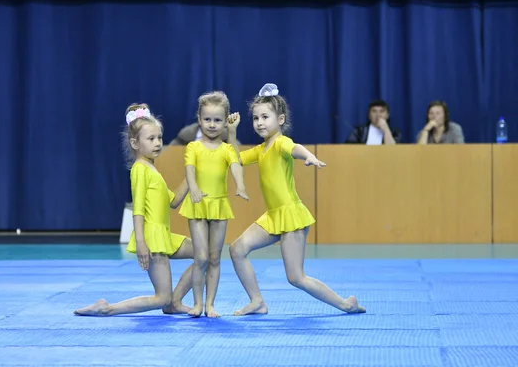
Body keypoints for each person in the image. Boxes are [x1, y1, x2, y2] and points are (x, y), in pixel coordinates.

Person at [227, 83, 366, 316]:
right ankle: (257, 301)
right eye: (255, 118)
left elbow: (296, 147)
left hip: (290, 215)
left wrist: (309, 156)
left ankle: (345, 304)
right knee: (237, 249)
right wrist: (231, 133)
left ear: (280, 119)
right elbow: (235, 159)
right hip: (273, 216)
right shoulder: (261, 149)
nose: (259, 122)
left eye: (265, 117)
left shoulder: (280, 143)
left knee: (296, 278)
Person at [74, 104, 195, 316]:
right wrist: (141, 242)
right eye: (151, 139)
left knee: (206, 254)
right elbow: (138, 209)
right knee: (161, 297)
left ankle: (174, 302)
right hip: (152, 237)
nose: (158, 143)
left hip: (163, 235)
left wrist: (192, 173)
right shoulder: (139, 169)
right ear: (135, 143)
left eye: (159, 138)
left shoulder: (151, 169)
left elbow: (174, 201)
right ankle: (108, 308)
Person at [179, 91, 248, 318]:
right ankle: (197, 303)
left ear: (226, 120)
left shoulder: (227, 148)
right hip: (198, 205)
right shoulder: (194, 147)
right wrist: (195, 189)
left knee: (215, 258)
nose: (211, 124)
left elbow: (236, 164)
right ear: (199, 119)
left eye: (217, 120)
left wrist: (240, 186)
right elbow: (189, 169)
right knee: (201, 258)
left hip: (218, 206)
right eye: (207, 119)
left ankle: (210, 304)